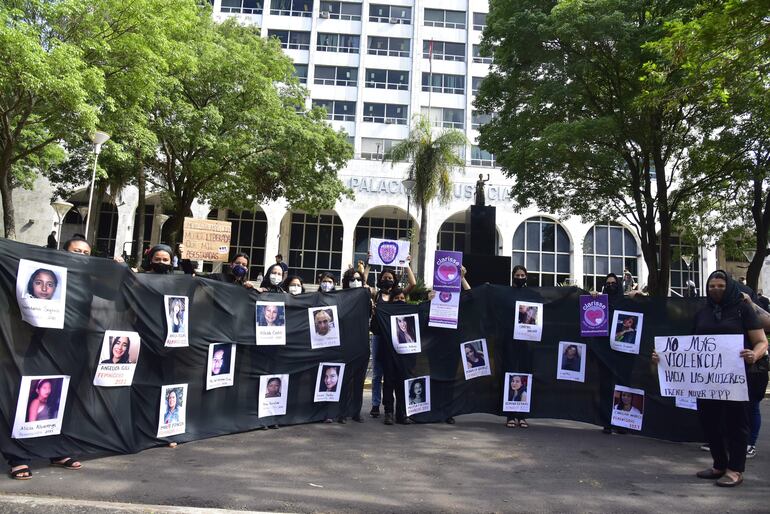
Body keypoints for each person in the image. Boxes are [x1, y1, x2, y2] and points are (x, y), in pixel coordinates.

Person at [653, 270, 768, 487]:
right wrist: (665, 357)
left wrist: (755, 354)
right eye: (712, 286)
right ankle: (719, 464)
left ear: (730, 287)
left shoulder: (743, 309)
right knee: (710, 422)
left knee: (736, 423)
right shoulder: (703, 311)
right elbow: (691, 347)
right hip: (706, 381)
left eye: (720, 286)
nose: (715, 289)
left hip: (736, 378)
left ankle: (735, 470)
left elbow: (762, 341)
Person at [507, 265, 531, 429]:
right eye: (518, 275)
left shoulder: (531, 295)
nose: (520, 277)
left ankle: (522, 416)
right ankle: (510, 415)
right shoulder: (506, 294)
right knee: (509, 377)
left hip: (528, 343)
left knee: (524, 377)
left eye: (523, 275)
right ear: (513, 276)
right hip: (509, 342)